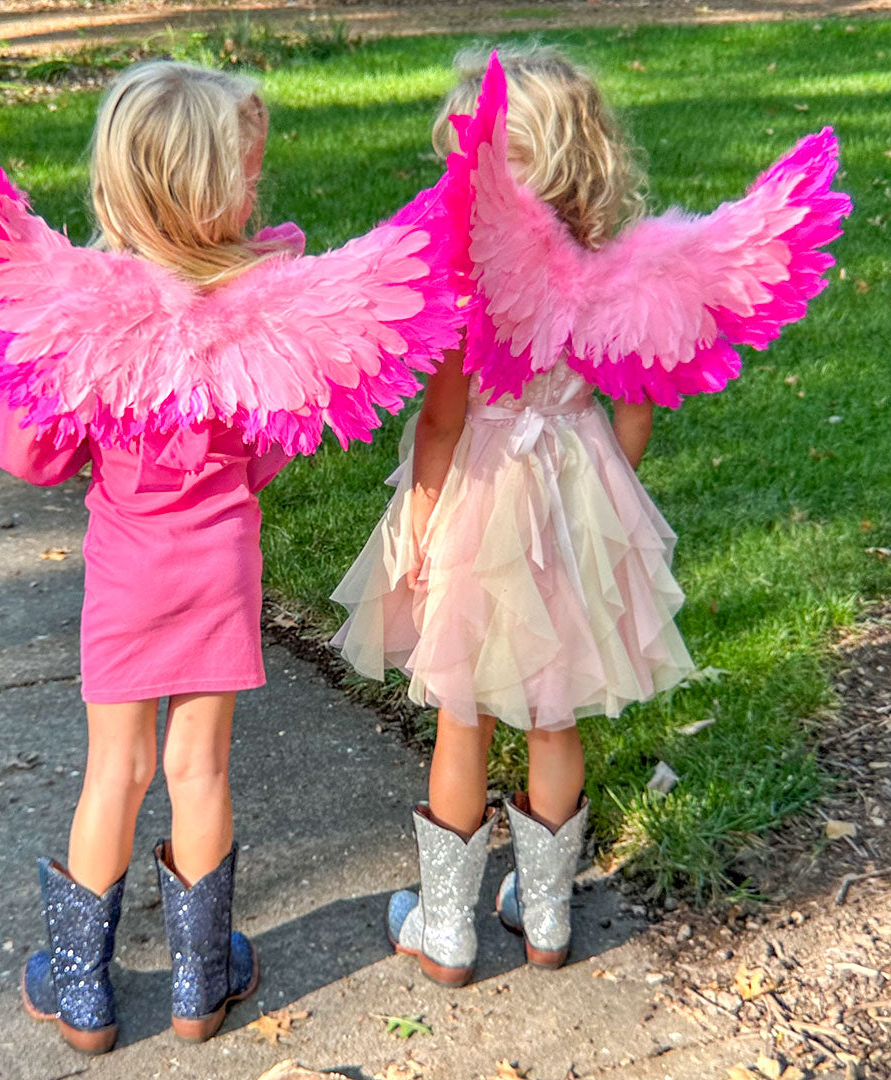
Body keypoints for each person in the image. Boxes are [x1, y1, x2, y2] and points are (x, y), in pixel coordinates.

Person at [0, 60, 462, 1051]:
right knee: (199, 772)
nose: (259, 188)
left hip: (126, 573)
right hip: (220, 568)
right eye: (249, 172)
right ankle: (200, 985)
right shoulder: (261, 320)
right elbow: (276, 445)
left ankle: (82, 994)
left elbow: (29, 452)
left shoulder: (91, 324)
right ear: (217, 188)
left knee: (113, 774)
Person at [332, 46, 850, 985]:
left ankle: (446, 930)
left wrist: (417, 518)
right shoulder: (627, 278)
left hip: (483, 498)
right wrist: (601, 496)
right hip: (576, 491)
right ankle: (545, 917)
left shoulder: (469, 283)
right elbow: (636, 406)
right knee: (553, 710)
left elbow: (445, 423)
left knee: (462, 714)